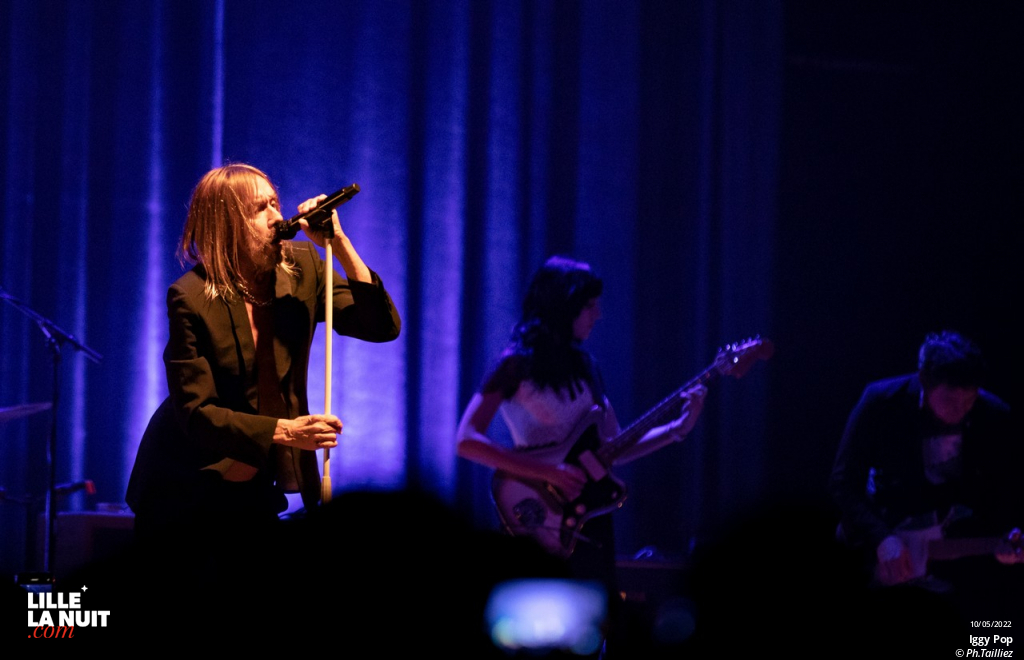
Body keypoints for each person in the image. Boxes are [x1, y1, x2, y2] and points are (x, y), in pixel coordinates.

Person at [125, 163, 401, 590]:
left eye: (275, 202)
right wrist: (287, 432)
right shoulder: (191, 297)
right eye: (261, 209)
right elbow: (196, 413)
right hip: (186, 484)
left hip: (254, 485)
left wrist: (339, 244)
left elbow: (381, 326)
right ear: (228, 225)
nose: (277, 216)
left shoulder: (305, 267)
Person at [456, 255, 707, 657]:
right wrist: (546, 471)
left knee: (596, 627)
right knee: (536, 631)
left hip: (589, 518)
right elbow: (467, 438)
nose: (598, 315)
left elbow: (613, 448)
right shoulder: (514, 364)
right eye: (589, 306)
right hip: (538, 513)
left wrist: (678, 429)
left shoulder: (588, 366)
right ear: (564, 305)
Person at [829, 330, 1022, 617]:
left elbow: (1007, 487)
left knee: (986, 638)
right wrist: (882, 538)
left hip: (953, 559)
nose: (961, 410)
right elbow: (843, 482)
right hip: (882, 544)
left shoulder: (992, 414)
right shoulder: (880, 402)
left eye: (969, 400)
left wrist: (1012, 532)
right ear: (924, 380)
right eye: (951, 400)